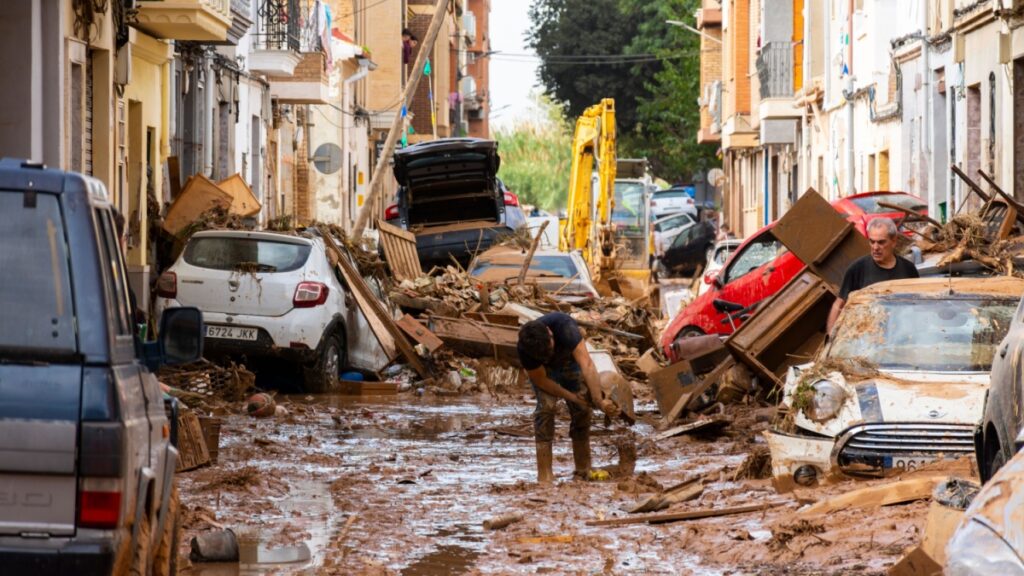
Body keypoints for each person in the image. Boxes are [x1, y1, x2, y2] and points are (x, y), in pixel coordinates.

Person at [518, 312, 619, 483]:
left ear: (550, 333)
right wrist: (571, 397)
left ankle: (583, 468)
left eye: (550, 348)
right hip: (545, 374)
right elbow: (541, 380)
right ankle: (544, 474)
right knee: (546, 409)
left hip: (570, 365)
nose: (549, 354)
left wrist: (598, 400)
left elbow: (586, 364)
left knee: (583, 410)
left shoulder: (565, 327)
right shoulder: (525, 348)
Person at [826, 217, 918, 333]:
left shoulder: (908, 269)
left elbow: (917, 306)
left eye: (881, 242)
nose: (875, 247)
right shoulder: (857, 269)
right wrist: (830, 337)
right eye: (872, 241)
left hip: (901, 337)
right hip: (867, 339)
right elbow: (839, 304)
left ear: (894, 241)